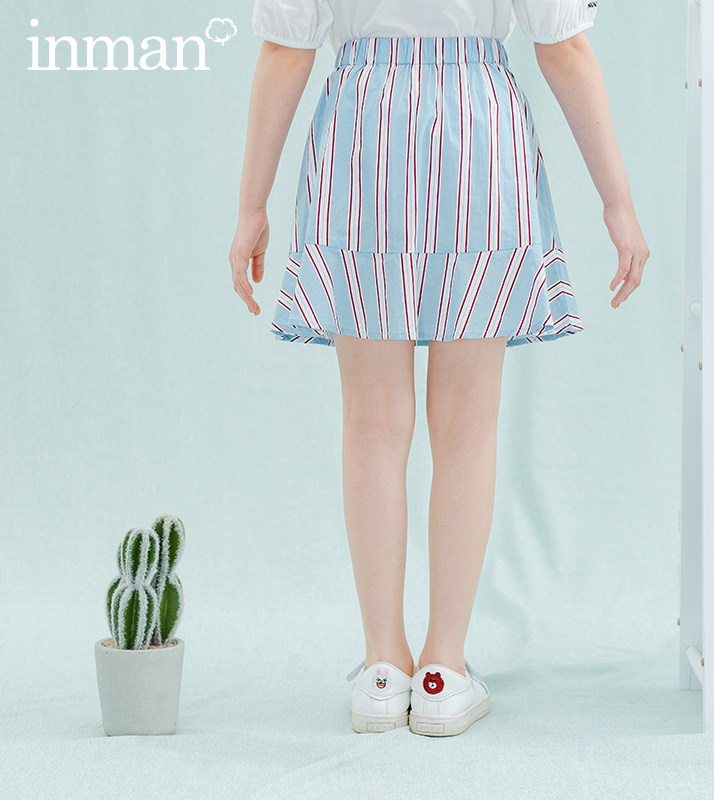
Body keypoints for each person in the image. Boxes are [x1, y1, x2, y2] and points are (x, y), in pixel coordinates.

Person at [228, 0, 650, 737]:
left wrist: (250, 208)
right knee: (466, 424)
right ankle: (443, 670)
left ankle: (382, 670)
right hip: (479, 130)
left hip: (363, 130)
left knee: (371, 422)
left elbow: (286, 52)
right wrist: (618, 203)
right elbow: (563, 48)